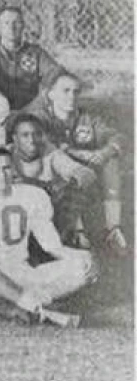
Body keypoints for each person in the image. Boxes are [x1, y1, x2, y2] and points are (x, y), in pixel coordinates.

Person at [0, 148, 97, 327]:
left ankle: (19, 305)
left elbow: (51, 246)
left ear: (13, 169)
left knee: (83, 266)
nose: (2, 174)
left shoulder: (31, 196)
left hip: (22, 271)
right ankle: (40, 309)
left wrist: (83, 257)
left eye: (6, 168)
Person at [25, 72, 128, 254]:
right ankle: (76, 230)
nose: (71, 97)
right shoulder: (41, 117)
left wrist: (104, 152)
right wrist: (76, 153)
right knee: (64, 164)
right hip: (55, 173)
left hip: (85, 167)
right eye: (65, 91)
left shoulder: (86, 117)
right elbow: (43, 143)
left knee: (111, 161)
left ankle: (113, 228)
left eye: (75, 92)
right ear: (51, 94)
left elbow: (117, 137)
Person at [5, 113, 96, 246]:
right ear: (15, 138)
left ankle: (70, 237)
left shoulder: (50, 153)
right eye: (25, 135)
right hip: (17, 217)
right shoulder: (4, 155)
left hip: (50, 216)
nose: (32, 140)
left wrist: (78, 174)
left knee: (71, 193)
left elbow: (83, 172)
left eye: (36, 134)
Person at [0, 6, 68, 111]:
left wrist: (43, 94)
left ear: (23, 26)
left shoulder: (35, 52)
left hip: (29, 109)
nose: (11, 27)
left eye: (17, 22)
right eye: (6, 23)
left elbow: (56, 72)